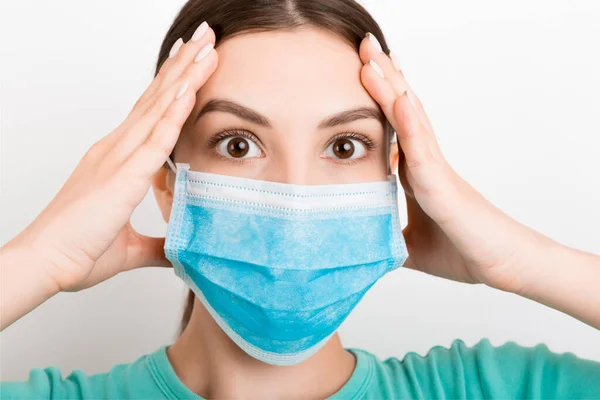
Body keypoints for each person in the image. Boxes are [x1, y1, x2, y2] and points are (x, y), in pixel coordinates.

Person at [1, 0, 599, 399]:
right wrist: (39, 262)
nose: (294, 197)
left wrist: (524, 263)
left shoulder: (500, 388)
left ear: (398, 179)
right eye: (238, 144)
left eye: (343, 146)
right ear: (165, 183)